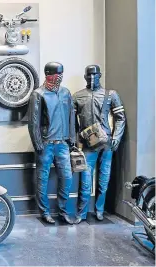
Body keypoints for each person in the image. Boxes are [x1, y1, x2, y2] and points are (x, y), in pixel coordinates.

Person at [73, 65, 126, 224]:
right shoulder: (77, 96)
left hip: (107, 144)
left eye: (95, 75)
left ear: (100, 75)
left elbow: (120, 117)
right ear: (85, 77)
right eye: (89, 75)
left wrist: (117, 137)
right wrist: (77, 139)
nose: (92, 78)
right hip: (88, 145)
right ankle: (82, 212)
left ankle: (99, 210)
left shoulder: (111, 95)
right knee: (85, 179)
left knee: (104, 179)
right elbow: (71, 121)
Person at [28, 62, 76, 224]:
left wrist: (72, 139)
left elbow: (71, 118)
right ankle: (45, 212)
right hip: (46, 144)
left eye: (61, 73)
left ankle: (63, 211)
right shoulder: (38, 94)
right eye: (57, 74)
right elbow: (33, 122)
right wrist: (37, 144)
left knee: (67, 178)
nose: (59, 77)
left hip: (63, 144)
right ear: (48, 74)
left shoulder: (65, 93)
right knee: (42, 179)